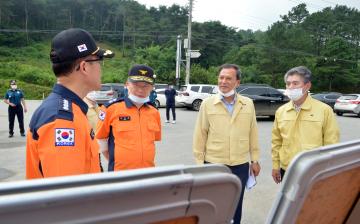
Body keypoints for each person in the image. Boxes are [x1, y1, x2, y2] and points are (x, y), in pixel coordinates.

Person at [26, 28, 114, 179]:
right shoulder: (63, 121)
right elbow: (65, 196)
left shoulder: (70, 109)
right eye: (99, 61)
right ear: (84, 67)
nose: (101, 68)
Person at [193, 64, 261, 224]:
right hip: (214, 164)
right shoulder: (207, 104)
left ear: (237, 82)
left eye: (228, 78)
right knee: (213, 205)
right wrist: (199, 164)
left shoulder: (248, 104)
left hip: (240, 165)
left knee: (236, 205)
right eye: (221, 77)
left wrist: (255, 160)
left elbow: (253, 133)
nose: (223, 81)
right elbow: (200, 135)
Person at [271, 66, 340, 184]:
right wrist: (276, 165)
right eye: (288, 84)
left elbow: (331, 143)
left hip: (314, 170)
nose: (290, 87)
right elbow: (277, 141)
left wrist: (328, 170)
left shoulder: (324, 110)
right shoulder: (281, 111)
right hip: (287, 169)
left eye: (295, 83)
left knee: (313, 202)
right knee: (290, 201)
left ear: (307, 86)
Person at [96, 64, 162, 171]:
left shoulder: (154, 112)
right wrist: (116, 161)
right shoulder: (110, 109)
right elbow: (102, 141)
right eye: (136, 85)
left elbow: (152, 142)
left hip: (148, 173)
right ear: (127, 85)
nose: (141, 90)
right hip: (121, 174)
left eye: (145, 86)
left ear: (151, 88)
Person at [83, 91, 104, 172]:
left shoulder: (96, 106)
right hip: (89, 146)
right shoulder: (83, 107)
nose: (94, 93)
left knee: (98, 167)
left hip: (97, 145)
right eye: (91, 91)